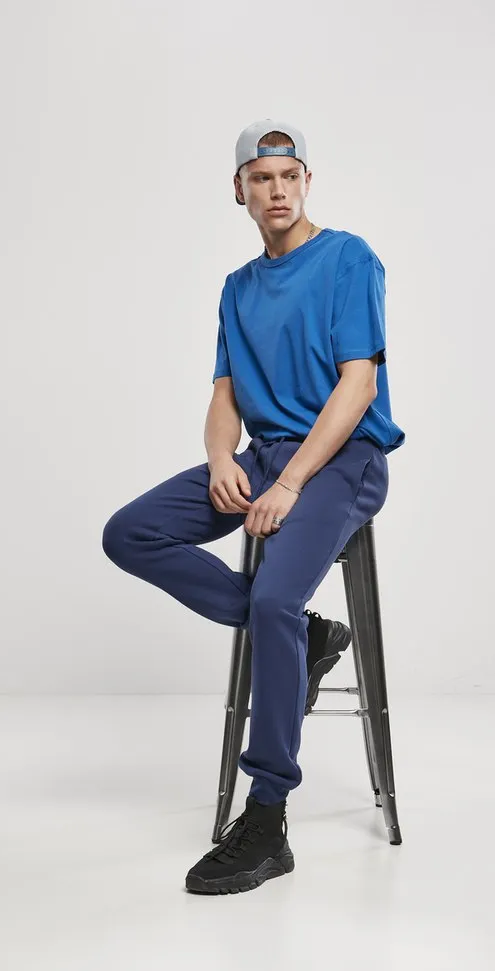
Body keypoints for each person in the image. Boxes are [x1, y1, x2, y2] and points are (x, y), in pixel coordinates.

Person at [101, 118, 406, 895]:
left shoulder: (347, 258)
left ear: (307, 182)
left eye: (289, 176)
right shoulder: (238, 288)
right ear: (239, 190)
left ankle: (267, 817)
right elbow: (225, 396)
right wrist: (219, 462)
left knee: (272, 598)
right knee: (131, 532)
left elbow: (359, 385)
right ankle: (305, 639)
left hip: (341, 461)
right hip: (262, 456)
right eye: (261, 179)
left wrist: (292, 482)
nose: (277, 191)